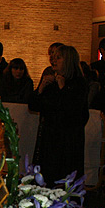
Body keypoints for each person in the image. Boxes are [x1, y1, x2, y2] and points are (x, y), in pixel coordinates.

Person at [29, 45, 89, 185]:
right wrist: (41, 88)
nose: (54, 61)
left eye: (58, 58)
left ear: (68, 61)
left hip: (67, 142)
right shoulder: (51, 82)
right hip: (49, 139)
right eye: (53, 57)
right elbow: (33, 105)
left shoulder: (78, 84)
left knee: (63, 178)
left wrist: (63, 88)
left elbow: (74, 112)